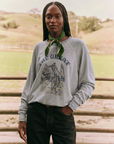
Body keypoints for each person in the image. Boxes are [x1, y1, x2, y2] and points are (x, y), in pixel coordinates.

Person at [18, 1, 95, 144]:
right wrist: (22, 116)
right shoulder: (39, 47)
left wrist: (70, 108)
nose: (52, 20)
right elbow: (29, 84)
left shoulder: (78, 46)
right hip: (36, 114)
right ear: (44, 20)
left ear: (64, 19)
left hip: (63, 115)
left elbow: (88, 83)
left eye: (57, 16)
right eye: (48, 16)